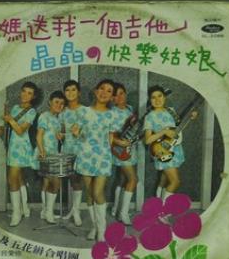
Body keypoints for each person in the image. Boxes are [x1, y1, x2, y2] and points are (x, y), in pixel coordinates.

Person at [72, 79, 118, 241]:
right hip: (85, 155)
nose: (104, 93)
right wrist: (76, 133)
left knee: (98, 192)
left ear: (112, 97)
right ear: (95, 90)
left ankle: (102, 231)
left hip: (103, 158)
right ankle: (94, 226)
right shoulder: (84, 111)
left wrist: (107, 154)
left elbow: (110, 138)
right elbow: (78, 134)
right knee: (90, 193)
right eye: (102, 89)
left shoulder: (112, 114)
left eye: (109, 91)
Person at [143, 85, 196, 200]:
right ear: (150, 100)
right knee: (175, 182)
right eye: (153, 97)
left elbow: (177, 129)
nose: (157, 100)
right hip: (162, 150)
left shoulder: (171, 111)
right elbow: (147, 140)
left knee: (164, 178)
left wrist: (190, 118)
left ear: (164, 97)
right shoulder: (150, 117)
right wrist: (164, 131)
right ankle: (164, 208)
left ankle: (158, 202)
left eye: (160, 96)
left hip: (174, 148)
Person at [2, 81, 39, 227]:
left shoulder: (31, 112)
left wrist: (10, 119)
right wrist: (3, 129)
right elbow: (11, 128)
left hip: (22, 148)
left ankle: (16, 213)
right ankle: (24, 209)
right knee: (19, 179)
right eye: (24, 91)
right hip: (12, 146)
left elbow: (20, 130)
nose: (25, 95)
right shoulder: (15, 108)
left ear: (33, 97)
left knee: (12, 180)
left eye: (29, 93)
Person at [32, 91, 65, 223]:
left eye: (62, 103)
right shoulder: (44, 116)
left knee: (47, 182)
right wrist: (42, 151)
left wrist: (60, 136)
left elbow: (55, 136)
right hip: (45, 154)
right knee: (56, 182)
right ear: (50, 102)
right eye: (56, 102)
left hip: (53, 154)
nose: (59, 105)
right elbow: (39, 135)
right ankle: (49, 212)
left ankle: (45, 211)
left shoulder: (57, 119)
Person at [109, 82, 138, 225]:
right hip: (119, 150)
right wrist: (119, 143)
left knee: (122, 179)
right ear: (112, 99)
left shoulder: (130, 109)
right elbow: (108, 134)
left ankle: (116, 209)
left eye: (121, 93)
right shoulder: (112, 113)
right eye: (115, 95)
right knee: (133, 180)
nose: (119, 97)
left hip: (130, 149)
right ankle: (124, 213)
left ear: (125, 93)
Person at [58, 80, 85, 227]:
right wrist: (60, 135)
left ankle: (77, 212)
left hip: (81, 150)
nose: (70, 93)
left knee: (78, 180)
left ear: (79, 92)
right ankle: (74, 210)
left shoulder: (86, 111)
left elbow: (90, 134)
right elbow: (61, 131)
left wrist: (79, 133)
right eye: (67, 90)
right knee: (72, 180)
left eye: (73, 90)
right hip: (67, 149)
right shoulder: (63, 112)